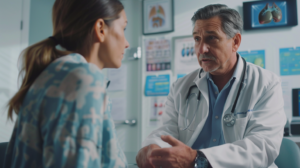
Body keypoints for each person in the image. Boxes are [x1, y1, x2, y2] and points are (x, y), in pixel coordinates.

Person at [136, 4, 286, 168]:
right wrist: (153, 147)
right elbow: (167, 130)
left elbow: (262, 147)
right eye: (197, 39)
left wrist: (198, 159)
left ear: (235, 41)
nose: (201, 49)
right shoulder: (181, 87)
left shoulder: (266, 83)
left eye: (211, 38)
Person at [4, 0, 129, 167]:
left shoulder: (56, 75)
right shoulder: (82, 80)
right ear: (100, 28)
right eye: (123, 28)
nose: (127, 43)